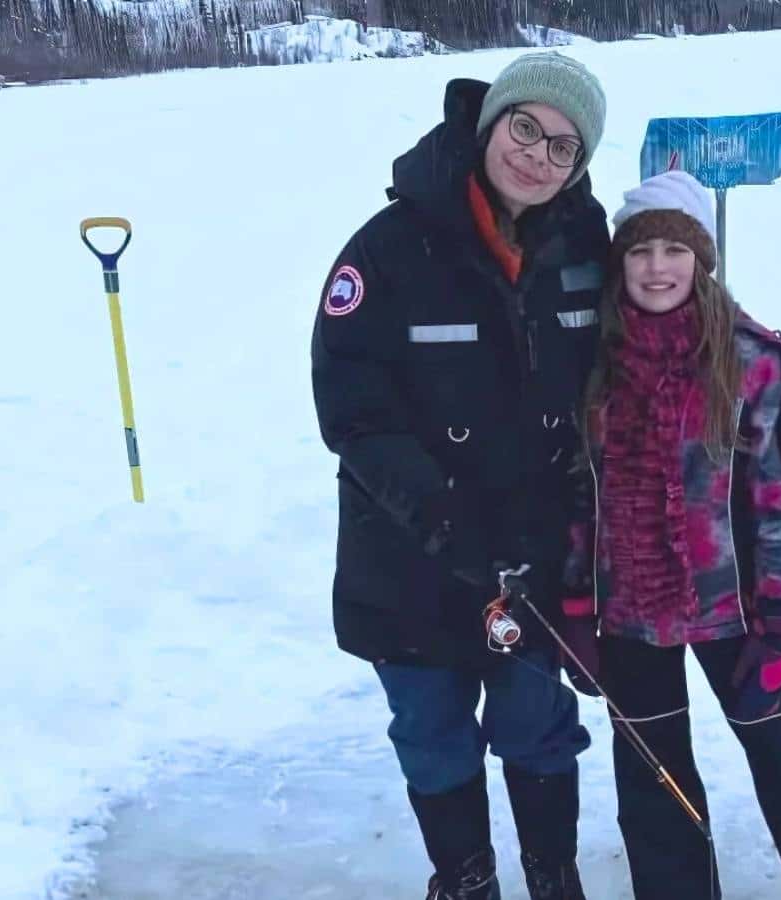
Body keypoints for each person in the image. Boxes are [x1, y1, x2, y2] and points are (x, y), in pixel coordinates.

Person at [310, 51, 611, 900]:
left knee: (537, 726)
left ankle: (555, 876)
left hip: (529, 553)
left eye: (564, 148)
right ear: (490, 123)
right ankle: (467, 878)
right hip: (407, 556)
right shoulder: (389, 248)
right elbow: (352, 409)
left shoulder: (588, 244)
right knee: (433, 730)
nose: (538, 157)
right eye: (526, 128)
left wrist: (758, 360)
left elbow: (661, 322)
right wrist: (438, 513)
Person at [560, 170, 781, 900]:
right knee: (653, 779)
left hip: (735, 610)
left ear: (701, 260)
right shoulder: (594, 364)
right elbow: (579, 492)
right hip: (630, 612)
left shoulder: (751, 362)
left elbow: (778, 507)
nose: (658, 267)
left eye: (676, 249)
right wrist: (576, 604)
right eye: (641, 252)